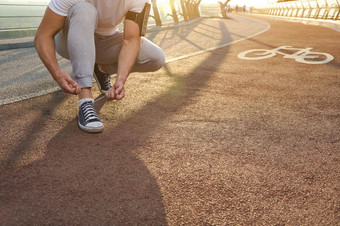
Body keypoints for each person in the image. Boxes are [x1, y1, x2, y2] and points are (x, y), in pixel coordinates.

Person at [34, 0, 165, 133]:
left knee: (155, 57)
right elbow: (42, 35)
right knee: (85, 9)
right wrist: (58, 74)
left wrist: (121, 79)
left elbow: (131, 39)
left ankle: (101, 68)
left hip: (105, 42)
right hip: (69, 40)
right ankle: (85, 100)